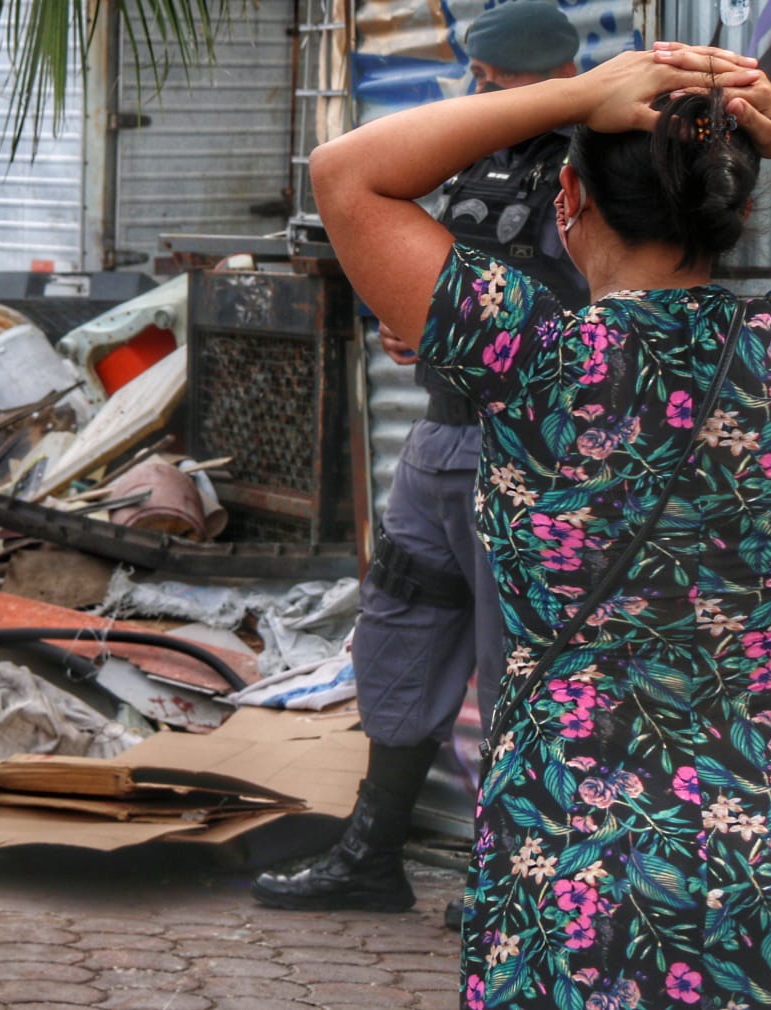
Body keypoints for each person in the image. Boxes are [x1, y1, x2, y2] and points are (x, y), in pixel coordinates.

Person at [304, 33, 771, 1010]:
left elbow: (346, 174)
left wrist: (574, 96)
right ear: (738, 208)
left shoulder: (522, 347)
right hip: (765, 851)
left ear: (566, 202)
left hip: (564, 855)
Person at [250, 1, 587, 916]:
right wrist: (422, 332)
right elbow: (444, 270)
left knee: (516, 658)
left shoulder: (599, 161)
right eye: (478, 74)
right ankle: (370, 853)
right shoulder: (470, 151)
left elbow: (603, 306)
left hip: (534, 443)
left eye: (495, 75)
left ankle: (517, 877)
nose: (478, 87)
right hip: (443, 432)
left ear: (554, 75)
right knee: (402, 628)